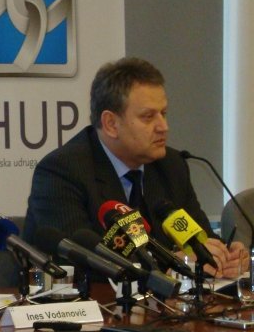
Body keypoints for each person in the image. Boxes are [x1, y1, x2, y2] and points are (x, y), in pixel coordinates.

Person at [23, 57, 245, 278]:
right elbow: (80, 261)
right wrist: (174, 263)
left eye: (164, 114)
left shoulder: (171, 165)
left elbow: (200, 240)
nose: (164, 127)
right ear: (111, 124)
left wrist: (225, 256)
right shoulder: (61, 171)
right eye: (148, 117)